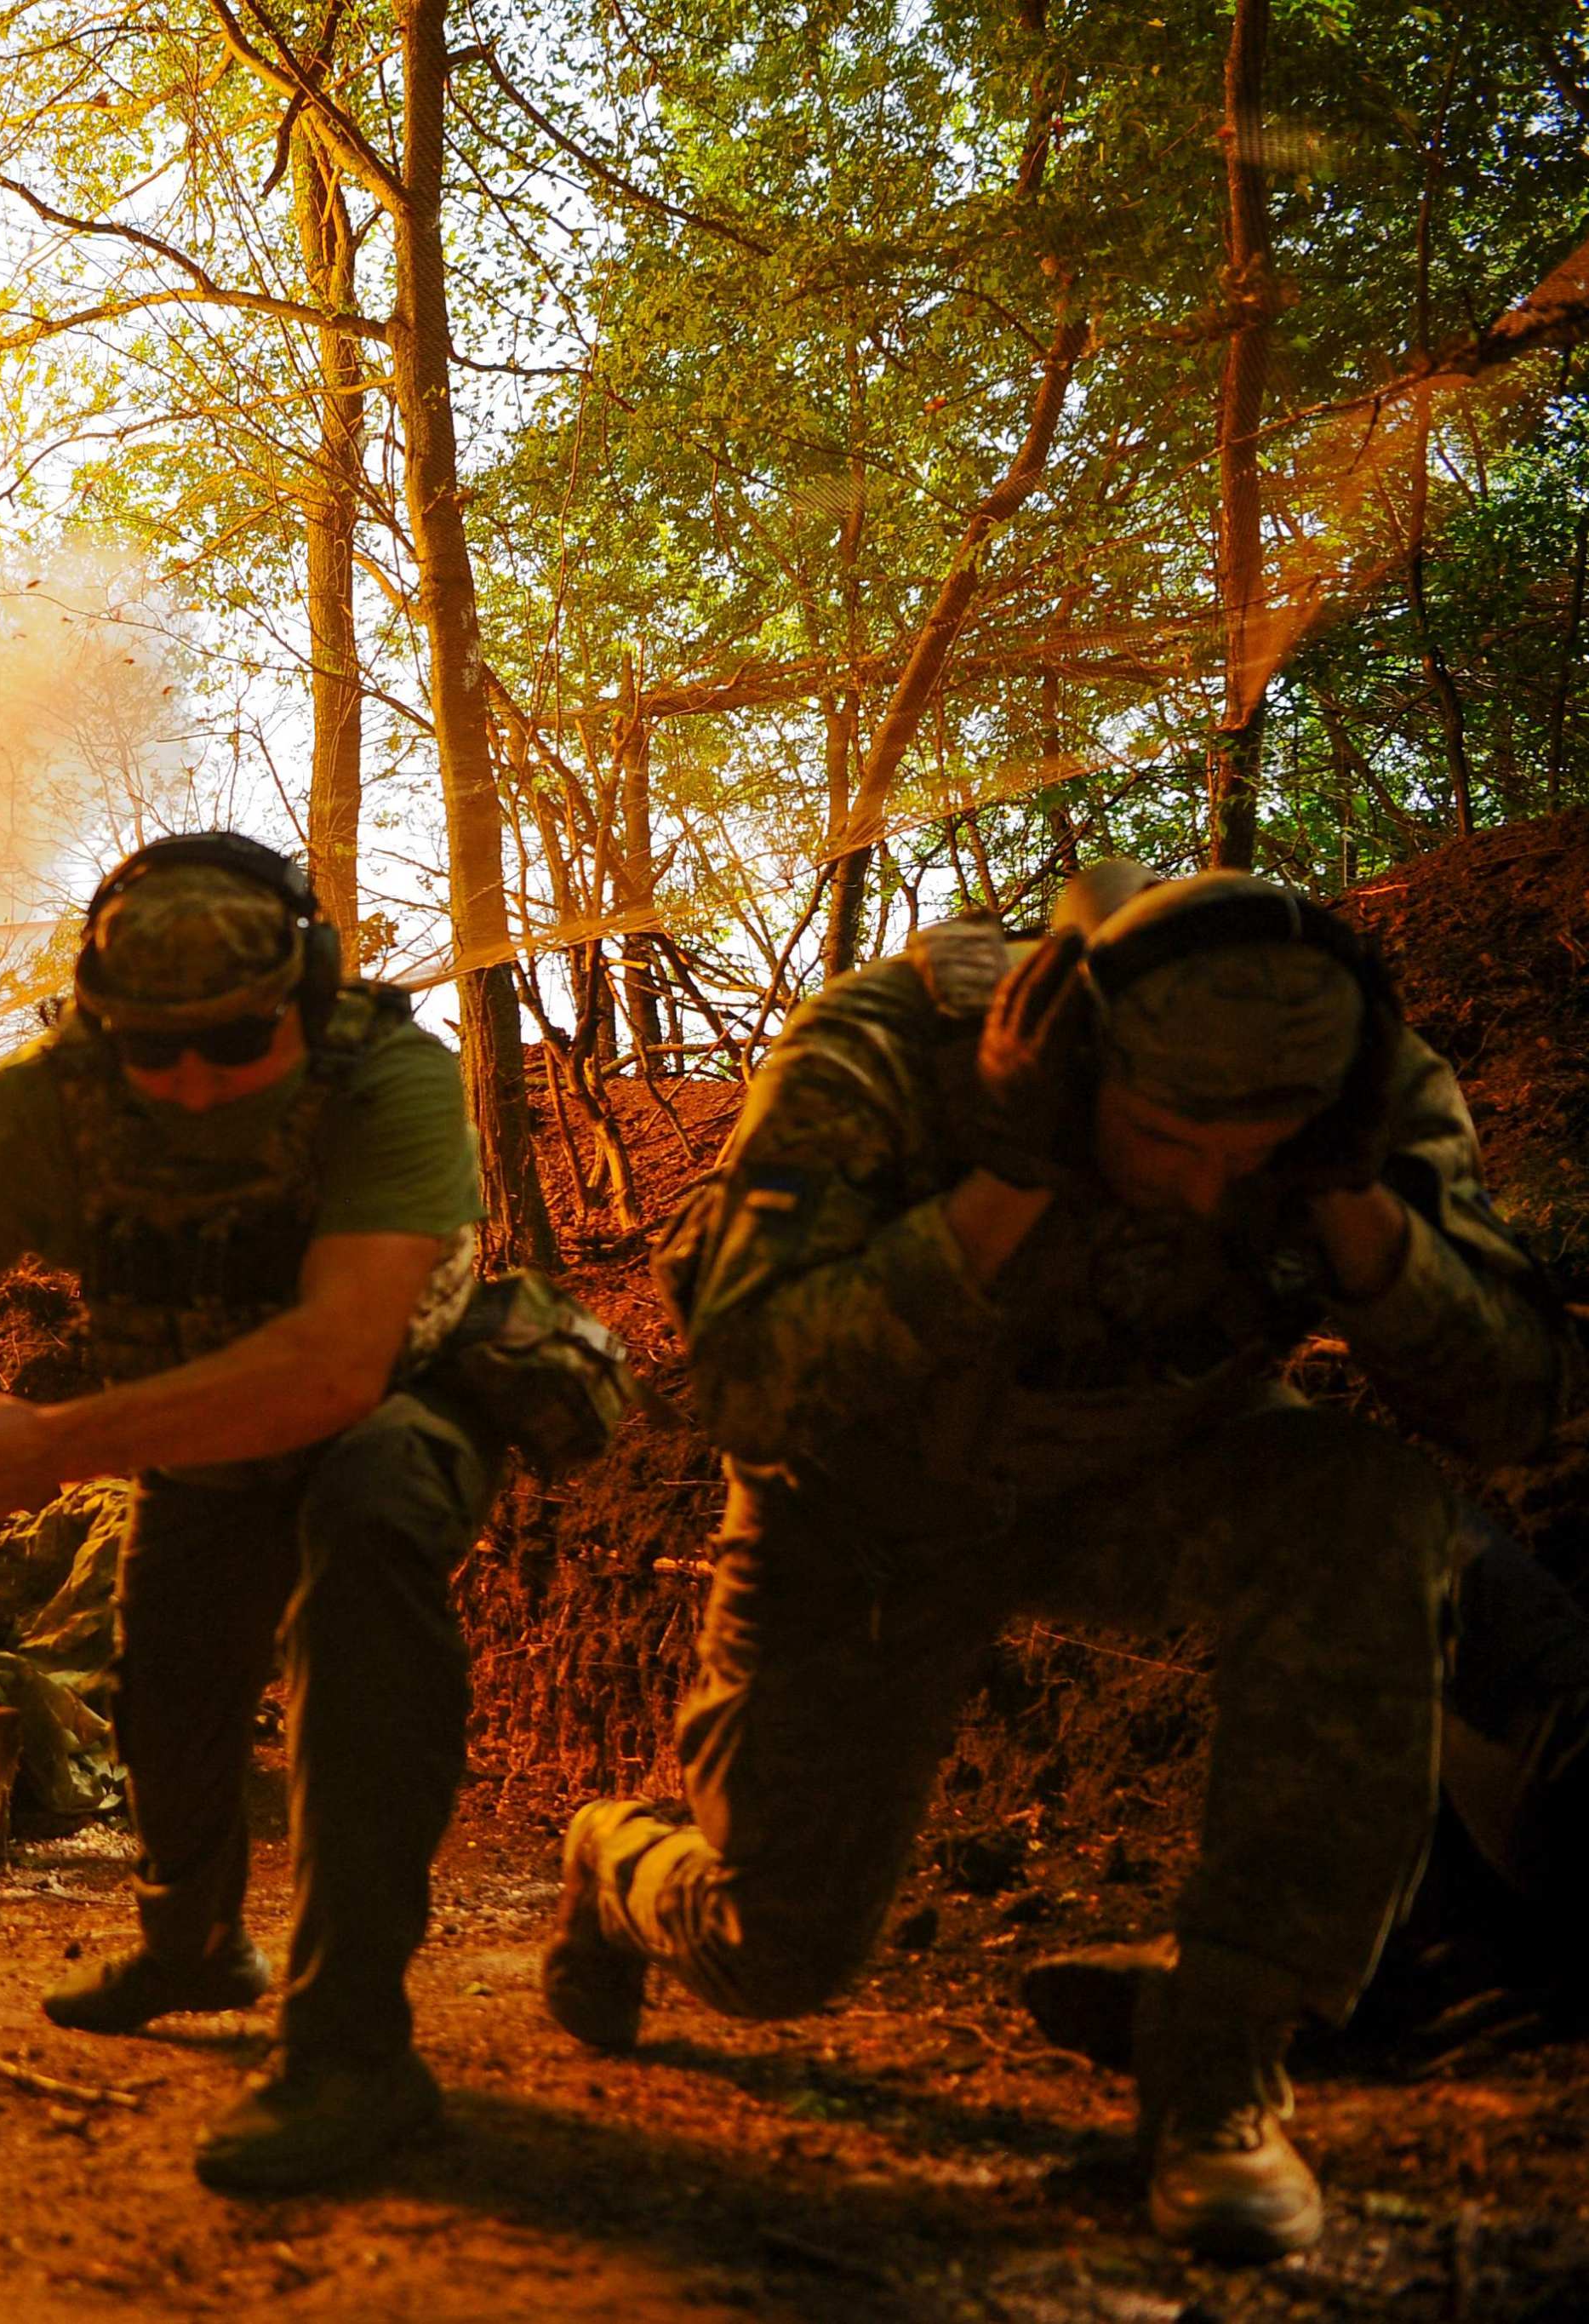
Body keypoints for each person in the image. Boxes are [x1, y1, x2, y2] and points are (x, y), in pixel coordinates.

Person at [541, 862, 1575, 2264]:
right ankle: (618, 1863)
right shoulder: (889, 1057)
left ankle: (1220, 2060)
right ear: (1084, 1058)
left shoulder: (1361, 1086)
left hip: (1153, 1475)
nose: (1209, 1185)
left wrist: (1358, 1215)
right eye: (1164, 1140)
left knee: (1369, 1507)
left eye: (1250, 1151)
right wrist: (1003, 1181)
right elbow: (740, 1389)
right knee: (775, 1950)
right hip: (868, 1509)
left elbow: (1516, 1409)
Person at [0, 833, 496, 2195]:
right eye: (155, 1054)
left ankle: (352, 2049)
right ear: (103, 1035)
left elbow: (336, 1363)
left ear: (308, 994)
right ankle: (193, 1943)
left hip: (396, 1401)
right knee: (168, 1677)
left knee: (370, 1552)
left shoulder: (386, 1074)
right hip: (201, 1440)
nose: (195, 1083)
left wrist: (48, 1444)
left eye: (233, 1040)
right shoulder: (59, 1100)